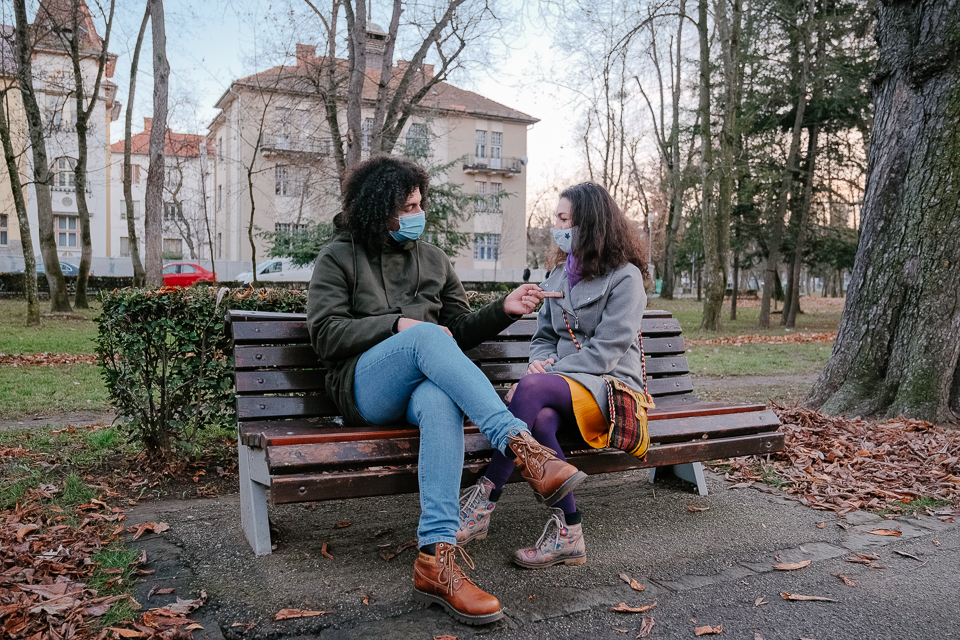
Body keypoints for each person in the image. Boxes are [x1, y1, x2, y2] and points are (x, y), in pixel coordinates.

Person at [306, 156, 586, 625]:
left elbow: (459, 328)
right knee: (424, 335)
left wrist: (503, 309)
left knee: (440, 399)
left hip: (420, 392)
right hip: (363, 386)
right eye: (407, 207)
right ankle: (521, 447)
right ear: (378, 210)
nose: (418, 213)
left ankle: (436, 561)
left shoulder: (433, 258)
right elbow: (326, 335)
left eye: (420, 203)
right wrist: (396, 325)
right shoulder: (338, 257)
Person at [457, 182, 650, 569]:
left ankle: (484, 500)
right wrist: (540, 362)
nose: (556, 227)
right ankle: (570, 533)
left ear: (589, 224)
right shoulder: (560, 274)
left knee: (529, 391)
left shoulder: (626, 278)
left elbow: (606, 352)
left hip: (611, 390)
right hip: (562, 390)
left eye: (564, 219)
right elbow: (544, 337)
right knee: (541, 420)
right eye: (557, 218)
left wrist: (547, 374)